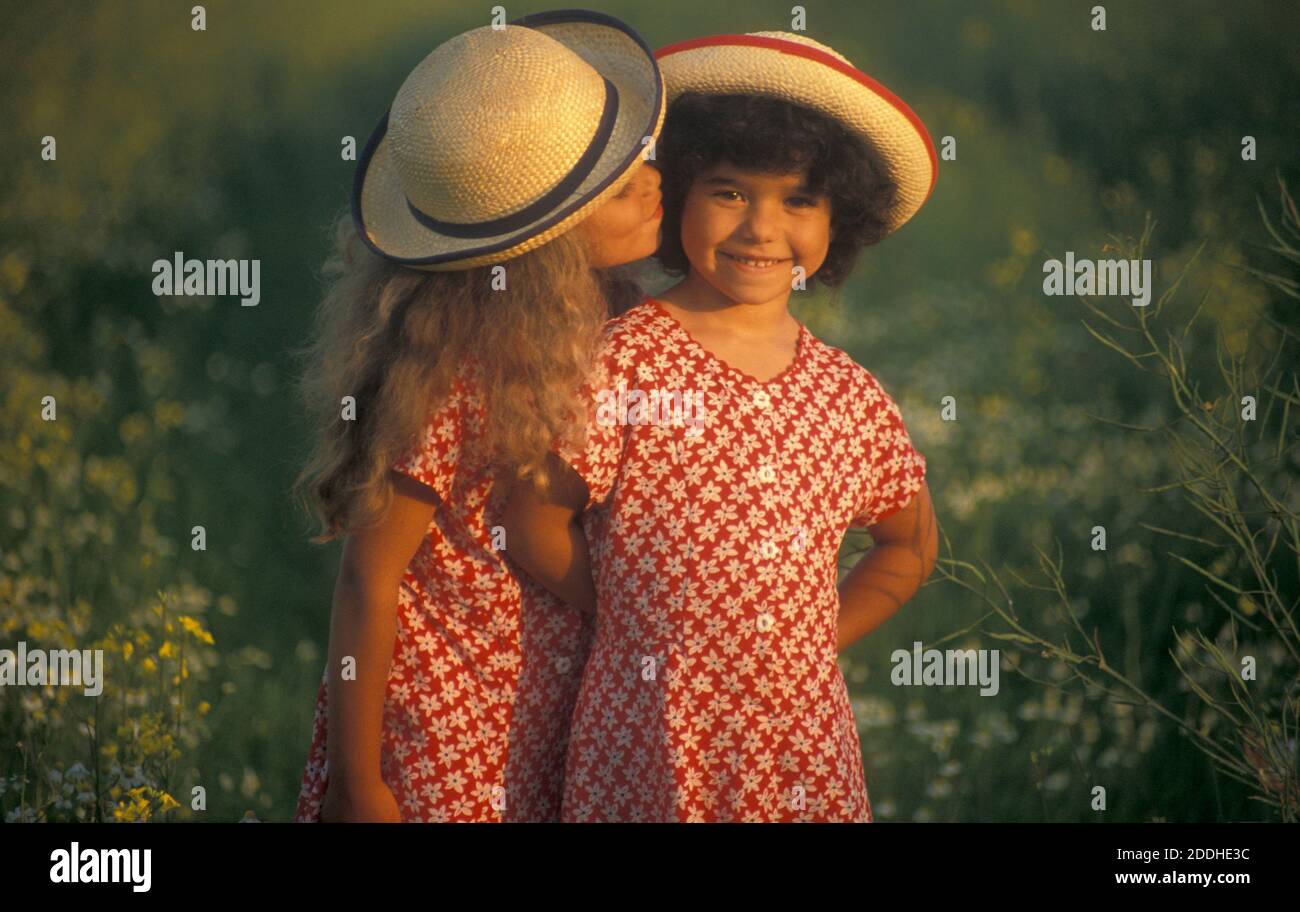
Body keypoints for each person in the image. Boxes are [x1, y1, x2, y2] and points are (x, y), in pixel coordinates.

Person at [502, 31, 940, 822]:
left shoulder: (850, 394)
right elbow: (533, 520)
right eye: (730, 192)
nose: (761, 229)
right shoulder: (622, 361)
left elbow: (909, 544)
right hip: (648, 734)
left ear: (839, 220)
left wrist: (811, 638)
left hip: (799, 748)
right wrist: (634, 613)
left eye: (798, 200)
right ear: (675, 193)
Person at [289, 10, 665, 822]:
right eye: (622, 183)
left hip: (562, 710)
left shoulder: (626, 324)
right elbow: (368, 579)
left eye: (641, 160)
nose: (654, 179)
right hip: (449, 730)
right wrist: (361, 783)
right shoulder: (454, 368)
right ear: (548, 241)